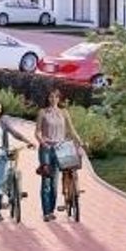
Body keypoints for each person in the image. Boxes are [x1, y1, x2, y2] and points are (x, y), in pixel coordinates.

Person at [34, 89, 81, 224]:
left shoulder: (64, 112)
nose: (53, 99)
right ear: (48, 98)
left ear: (59, 99)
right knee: (46, 181)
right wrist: (43, 142)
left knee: (55, 181)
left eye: (56, 97)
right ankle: (46, 212)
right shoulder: (42, 112)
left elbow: (71, 130)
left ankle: (52, 210)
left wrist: (80, 141)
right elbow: (37, 132)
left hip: (62, 149)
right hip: (47, 149)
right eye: (51, 96)